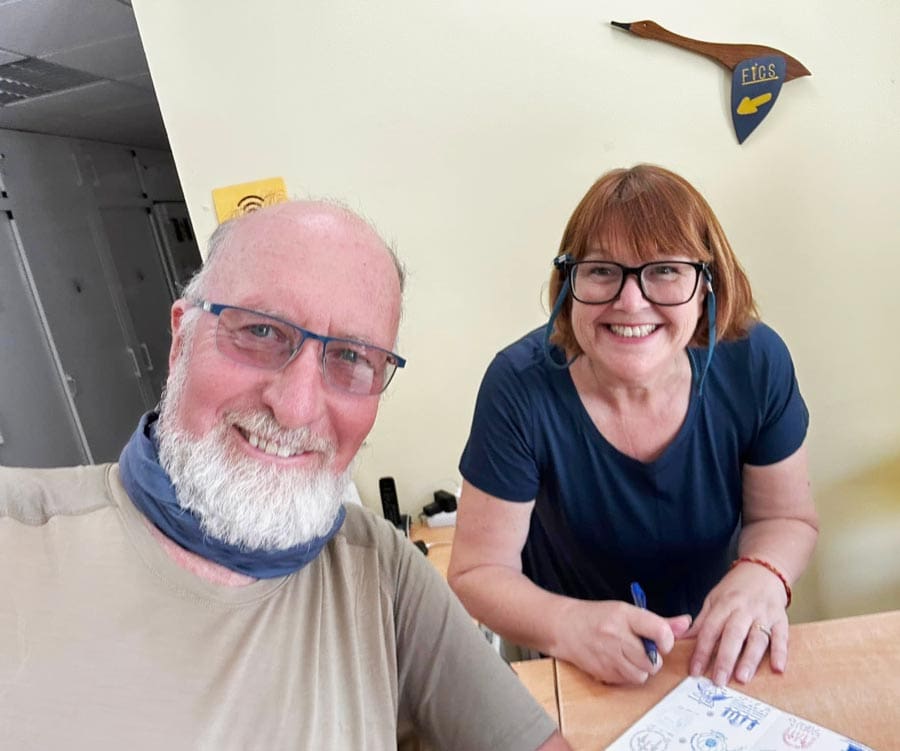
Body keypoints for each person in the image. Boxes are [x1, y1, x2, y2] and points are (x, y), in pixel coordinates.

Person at [0, 201, 569, 750]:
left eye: (350, 357)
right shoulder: (18, 535)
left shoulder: (377, 570)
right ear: (181, 338)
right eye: (261, 332)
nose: (295, 407)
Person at [449, 164, 819, 689]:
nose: (630, 301)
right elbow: (476, 573)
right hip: (576, 662)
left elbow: (788, 518)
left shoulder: (756, 362)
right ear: (568, 281)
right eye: (601, 270)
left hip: (721, 656)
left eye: (665, 270)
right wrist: (568, 626)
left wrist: (763, 573)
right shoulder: (518, 386)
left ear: (707, 284)